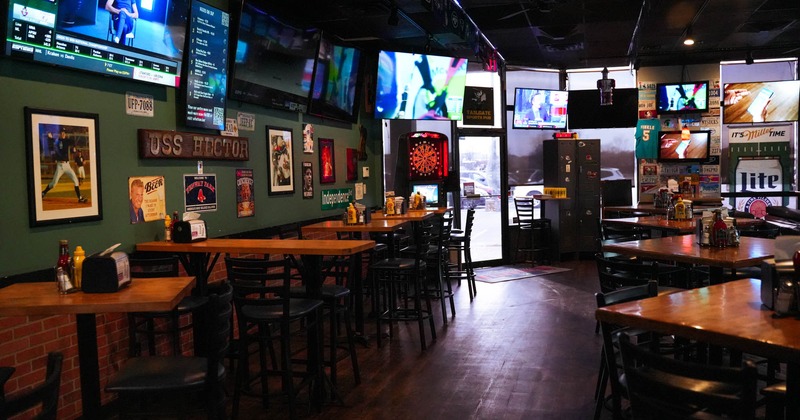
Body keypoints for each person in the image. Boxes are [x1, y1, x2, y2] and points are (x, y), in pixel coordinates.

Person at [42, 130, 87, 203]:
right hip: (60, 166)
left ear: (65, 134)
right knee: (53, 184)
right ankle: (43, 192)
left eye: (64, 133)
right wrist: (49, 138)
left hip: (67, 165)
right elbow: (51, 143)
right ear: (59, 134)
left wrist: (74, 147)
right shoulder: (57, 141)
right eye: (61, 133)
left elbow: (73, 141)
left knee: (76, 181)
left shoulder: (66, 141)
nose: (63, 134)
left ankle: (80, 198)